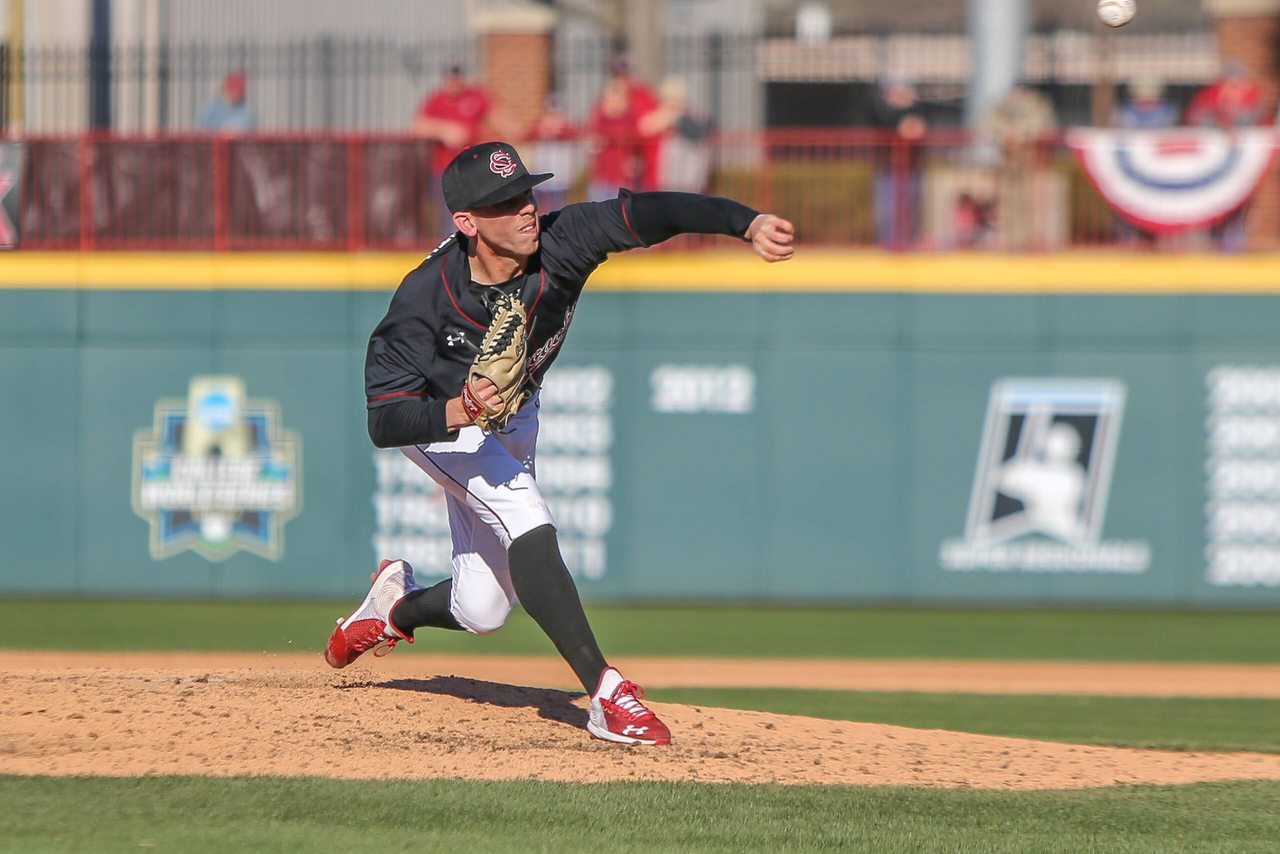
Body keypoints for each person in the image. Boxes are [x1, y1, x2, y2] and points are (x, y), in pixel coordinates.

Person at [325, 141, 794, 746]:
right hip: (441, 423)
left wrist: (745, 222)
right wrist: (459, 409)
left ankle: (394, 606)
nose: (524, 209)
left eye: (524, 193)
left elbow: (655, 212)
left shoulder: (563, 240)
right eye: (503, 203)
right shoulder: (422, 301)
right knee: (524, 512)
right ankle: (606, 695)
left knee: (483, 611)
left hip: (514, 416)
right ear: (466, 223)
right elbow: (385, 423)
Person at [413, 66, 505, 238]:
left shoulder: (474, 96)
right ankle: (450, 245)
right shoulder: (436, 100)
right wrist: (445, 130)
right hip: (443, 169)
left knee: (475, 208)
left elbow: (501, 120)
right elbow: (418, 127)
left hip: (471, 168)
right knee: (447, 213)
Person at [585, 55, 660, 201]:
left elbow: (644, 130)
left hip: (629, 178)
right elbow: (593, 137)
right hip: (604, 176)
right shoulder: (601, 106)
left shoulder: (638, 102)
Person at [1184, 61, 1262, 130]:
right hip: (1209, 131)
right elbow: (1195, 116)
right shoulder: (1212, 92)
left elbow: (1255, 115)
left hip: (1240, 131)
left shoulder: (1250, 92)